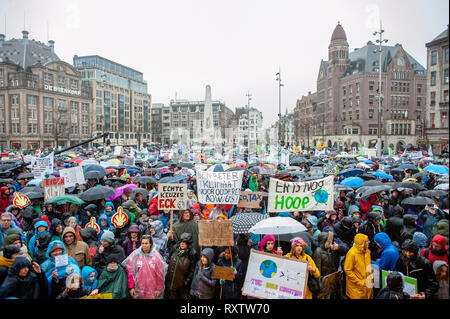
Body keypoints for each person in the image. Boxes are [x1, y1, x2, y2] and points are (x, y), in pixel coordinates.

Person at [122, 234, 165, 299]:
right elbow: (130, 272)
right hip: (138, 288)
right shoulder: (136, 255)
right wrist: (131, 287)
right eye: (143, 243)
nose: (144, 245)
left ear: (150, 244)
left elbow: (160, 273)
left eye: (146, 243)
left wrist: (158, 288)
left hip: (152, 289)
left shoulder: (156, 256)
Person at [165, 232, 197, 299]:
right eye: (181, 241)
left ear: (188, 243)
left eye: (184, 242)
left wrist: (186, 281)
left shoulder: (192, 254)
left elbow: (193, 269)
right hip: (171, 282)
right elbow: (168, 259)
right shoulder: (175, 249)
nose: (182, 243)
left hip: (182, 286)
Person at [343, 233, 373, 299]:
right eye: (367, 241)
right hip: (356, 289)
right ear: (362, 242)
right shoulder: (352, 254)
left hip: (366, 286)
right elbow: (347, 270)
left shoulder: (367, 252)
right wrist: (360, 282)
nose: (369, 242)